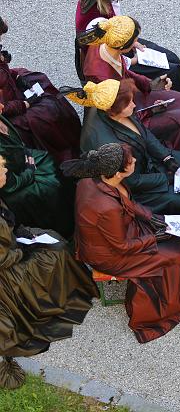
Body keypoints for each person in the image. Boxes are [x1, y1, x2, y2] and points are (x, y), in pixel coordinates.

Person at [64, 143, 180, 343]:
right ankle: (167, 302)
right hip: (110, 255)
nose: (135, 161)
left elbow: (128, 203)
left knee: (178, 241)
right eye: (131, 161)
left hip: (122, 233)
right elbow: (121, 247)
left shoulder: (97, 180)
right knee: (175, 255)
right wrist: (154, 238)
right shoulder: (106, 207)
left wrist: (150, 217)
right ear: (118, 172)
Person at [69, 79, 180, 253]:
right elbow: (132, 181)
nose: (134, 105)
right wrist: (166, 178)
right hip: (132, 186)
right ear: (112, 112)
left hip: (143, 163)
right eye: (129, 103)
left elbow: (144, 134)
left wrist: (166, 157)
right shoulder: (107, 142)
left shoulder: (116, 107)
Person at [0, 153, 97, 390]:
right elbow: (3, 258)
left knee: (53, 240)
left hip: (11, 247)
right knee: (55, 254)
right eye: (2, 171)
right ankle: (64, 291)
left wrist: (22, 235)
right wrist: (23, 250)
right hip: (8, 272)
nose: (5, 173)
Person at [79, 15, 180, 167]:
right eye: (134, 41)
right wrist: (151, 111)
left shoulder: (109, 46)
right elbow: (118, 111)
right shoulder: (100, 74)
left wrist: (151, 84)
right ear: (123, 47)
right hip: (125, 115)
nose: (137, 43)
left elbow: (127, 73)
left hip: (129, 97)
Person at [75, 0, 180, 97]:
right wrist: (133, 59)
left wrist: (134, 42)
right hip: (115, 57)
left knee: (169, 57)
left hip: (119, 43)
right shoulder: (97, 23)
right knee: (171, 71)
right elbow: (105, 59)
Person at [0, 16, 81, 164]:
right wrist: (25, 104)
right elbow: (3, 108)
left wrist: (16, 77)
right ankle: (61, 157)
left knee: (40, 81)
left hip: (11, 92)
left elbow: (4, 71)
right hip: (8, 115)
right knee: (45, 114)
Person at [0, 107, 74, 236]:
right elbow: (9, 186)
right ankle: (63, 229)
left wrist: (26, 155)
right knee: (50, 189)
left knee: (48, 159)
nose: (2, 106)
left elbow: (17, 145)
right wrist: (29, 171)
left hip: (24, 163)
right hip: (16, 185)